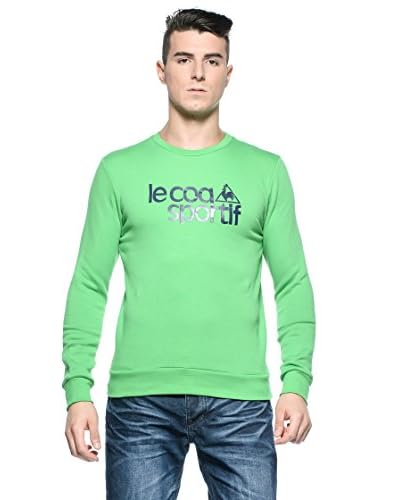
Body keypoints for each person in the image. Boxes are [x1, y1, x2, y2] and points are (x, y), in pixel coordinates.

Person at [62, 7, 316, 500]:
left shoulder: (266, 171)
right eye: (184, 59)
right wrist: (77, 389)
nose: (198, 73)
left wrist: (296, 382)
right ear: (162, 70)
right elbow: (90, 283)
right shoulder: (118, 171)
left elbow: (293, 283)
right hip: (140, 400)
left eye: (211, 61)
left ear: (228, 73)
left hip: (239, 399)